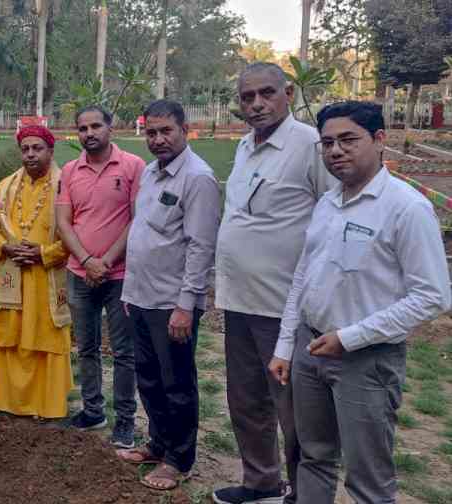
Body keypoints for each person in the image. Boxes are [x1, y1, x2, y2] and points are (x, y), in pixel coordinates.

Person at [269, 101, 451, 504]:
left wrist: (350, 338)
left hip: (366, 361)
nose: (336, 151)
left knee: (368, 478)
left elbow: (432, 295)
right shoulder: (328, 203)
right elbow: (304, 275)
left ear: (380, 140)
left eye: (349, 140)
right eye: (328, 142)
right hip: (310, 349)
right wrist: (286, 346)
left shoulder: (406, 208)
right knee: (313, 457)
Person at [212, 62, 335, 504]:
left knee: (295, 412)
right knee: (245, 402)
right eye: (248, 97)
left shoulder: (309, 146)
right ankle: (261, 481)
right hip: (239, 301)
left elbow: (333, 214)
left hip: (286, 307)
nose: (257, 104)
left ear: (286, 93)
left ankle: (304, 494)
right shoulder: (245, 146)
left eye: (267, 93)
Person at [117, 100, 220, 491]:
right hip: (141, 296)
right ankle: (158, 444)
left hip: (172, 304)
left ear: (185, 130)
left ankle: (180, 459)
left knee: (176, 383)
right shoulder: (149, 173)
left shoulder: (198, 179)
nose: (158, 139)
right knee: (149, 379)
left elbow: (200, 247)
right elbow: (144, 233)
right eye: (152, 132)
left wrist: (185, 305)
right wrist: (130, 291)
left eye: (166, 131)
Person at [55, 105, 144, 448]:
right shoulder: (70, 170)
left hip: (120, 275)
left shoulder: (134, 166)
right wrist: (87, 260)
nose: (89, 133)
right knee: (87, 347)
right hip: (79, 273)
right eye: (82, 128)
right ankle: (93, 410)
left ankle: (125, 420)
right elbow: (64, 222)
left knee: (124, 352)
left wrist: (104, 261)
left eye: (95, 126)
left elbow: (137, 219)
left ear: (111, 127)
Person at [0, 125, 72, 419]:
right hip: (13, 275)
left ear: (50, 151)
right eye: (26, 149)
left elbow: (76, 233)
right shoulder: (7, 186)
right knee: (13, 335)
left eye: (37, 148)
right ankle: (10, 402)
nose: (30, 154)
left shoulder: (64, 186)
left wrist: (44, 254)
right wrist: (5, 247)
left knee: (48, 337)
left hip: (47, 277)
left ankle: (47, 405)